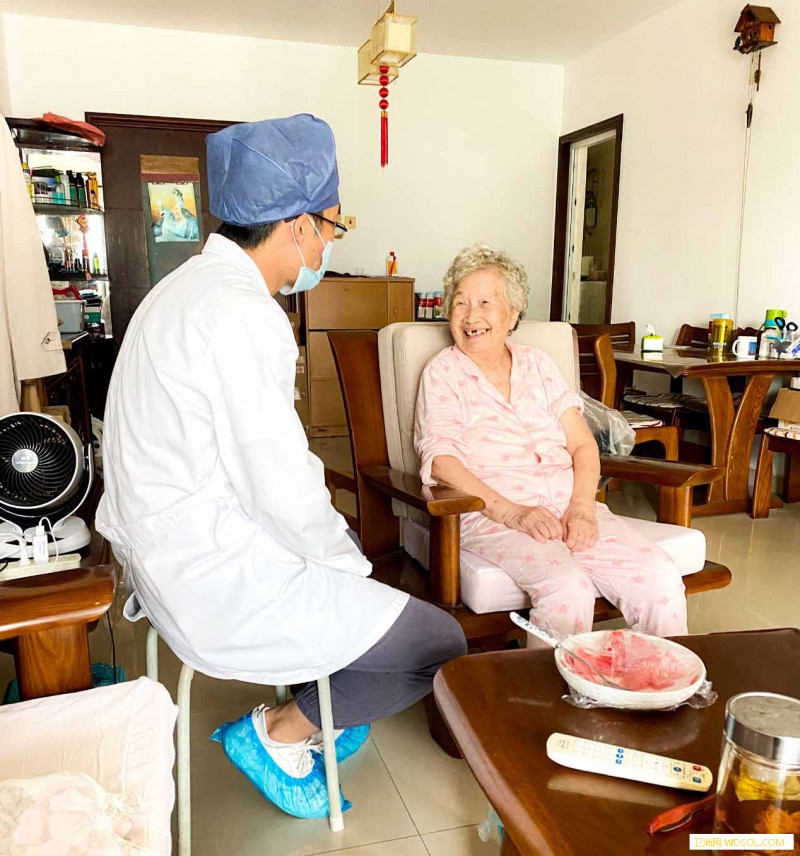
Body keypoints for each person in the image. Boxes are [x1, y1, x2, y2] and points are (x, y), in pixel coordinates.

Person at [97, 115, 466, 819]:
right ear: (297, 226)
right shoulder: (242, 313)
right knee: (435, 641)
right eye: (332, 227)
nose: (329, 245)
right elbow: (276, 482)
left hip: (165, 551)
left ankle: (323, 702)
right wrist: (350, 568)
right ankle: (278, 732)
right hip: (208, 574)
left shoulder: (181, 290)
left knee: (351, 561)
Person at [414, 244, 688, 641]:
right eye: (460, 303)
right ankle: (551, 684)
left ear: (512, 313)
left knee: (659, 578)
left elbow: (583, 445)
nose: (471, 316)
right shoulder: (443, 373)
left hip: (569, 506)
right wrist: (513, 513)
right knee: (567, 589)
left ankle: (658, 676)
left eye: (486, 303)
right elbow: (442, 462)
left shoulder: (538, 364)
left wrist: (582, 508)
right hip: (492, 515)